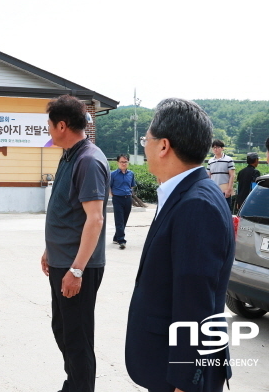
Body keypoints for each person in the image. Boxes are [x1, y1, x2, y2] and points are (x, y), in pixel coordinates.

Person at [125, 98, 234, 392]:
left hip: (178, 377)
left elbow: (195, 303)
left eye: (145, 139)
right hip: (165, 365)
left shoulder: (196, 204)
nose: (144, 145)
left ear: (163, 146)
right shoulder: (187, 193)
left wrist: (185, 382)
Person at [40, 94, 110, 392]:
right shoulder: (69, 154)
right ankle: (74, 385)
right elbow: (67, 210)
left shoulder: (89, 160)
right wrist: (50, 248)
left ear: (62, 125)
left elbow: (95, 220)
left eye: (49, 125)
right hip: (61, 260)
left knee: (78, 336)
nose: (48, 130)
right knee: (64, 330)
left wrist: (77, 270)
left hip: (78, 267)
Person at [110, 154, 136, 249]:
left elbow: (132, 185)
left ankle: (116, 237)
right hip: (117, 199)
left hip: (128, 198)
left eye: (125, 162)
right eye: (121, 162)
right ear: (118, 163)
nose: (123, 164)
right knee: (119, 220)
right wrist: (111, 194)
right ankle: (121, 240)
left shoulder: (131, 174)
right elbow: (108, 185)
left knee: (124, 219)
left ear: (128, 162)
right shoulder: (113, 174)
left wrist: (130, 194)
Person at [206, 139, 235, 210]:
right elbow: (208, 176)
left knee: (225, 209)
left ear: (222, 148)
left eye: (218, 147)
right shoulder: (210, 161)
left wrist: (229, 189)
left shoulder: (228, 159)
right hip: (213, 190)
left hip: (224, 190)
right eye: (214, 148)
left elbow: (232, 175)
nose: (216, 149)